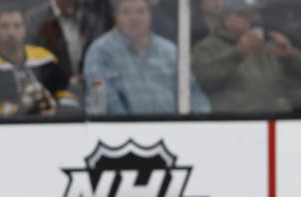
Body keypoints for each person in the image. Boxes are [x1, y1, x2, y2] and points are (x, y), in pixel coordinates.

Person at [83, 0, 211, 114]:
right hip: (118, 135)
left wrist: (203, 124)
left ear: (150, 16)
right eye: (126, 12)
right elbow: (103, 103)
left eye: (140, 12)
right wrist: (131, 128)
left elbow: (193, 95)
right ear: (116, 17)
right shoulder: (100, 52)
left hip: (173, 132)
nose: (134, 18)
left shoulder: (170, 51)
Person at [192, 0, 301, 112]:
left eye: (257, 14)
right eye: (247, 15)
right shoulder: (206, 47)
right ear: (228, 18)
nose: (255, 19)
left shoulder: (268, 46)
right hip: (234, 124)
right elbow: (203, 79)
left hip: (279, 122)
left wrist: (290, 56)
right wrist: (238, 52)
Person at [0, 5, 79, 117]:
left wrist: (61, 112)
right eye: (4, 26)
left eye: (17, 26)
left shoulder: (44, 57)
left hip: (51, 124)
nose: (11, 32)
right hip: (9, 127)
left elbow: (65, 91)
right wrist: (31, 114)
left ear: (24, 30)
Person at [25, 0, 113, 109]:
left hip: (90, 94)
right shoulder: (35, 20)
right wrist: (66, 82)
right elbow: (35, 63)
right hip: (51, 97)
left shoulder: (92, 18)